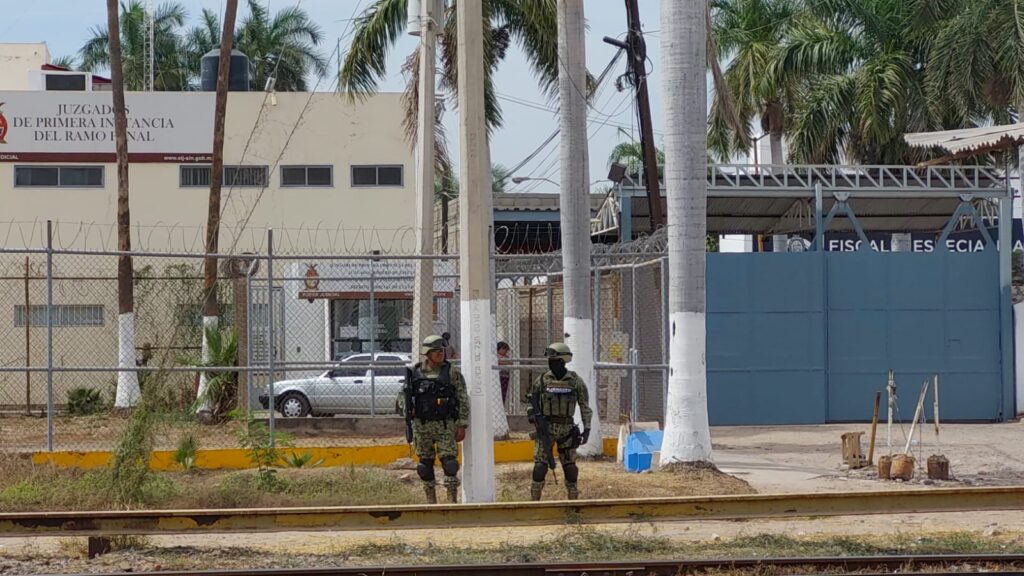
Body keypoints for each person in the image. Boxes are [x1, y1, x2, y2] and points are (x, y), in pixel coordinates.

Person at [404, 335, 469, 504]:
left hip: (445, 425)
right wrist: (406, 408)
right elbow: (402, 396)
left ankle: (451, 500)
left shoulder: (452, 373)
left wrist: (462, 424)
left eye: (442, 350)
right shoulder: (415, 373)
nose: (440, 354)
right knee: (425, 466)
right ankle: (430, 501)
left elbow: (462, 398)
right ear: (428, 353)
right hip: (422, 425)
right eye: (436, 351)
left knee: (450, 464)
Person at [525, 342, 592, 501]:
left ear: (562, 361)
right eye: (550, 361)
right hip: (545, 429)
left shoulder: (575, 382)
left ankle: (573, 499)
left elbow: (585, 406)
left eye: (554, 361)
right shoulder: (541, 380)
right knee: (540, 466)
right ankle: (535, 500)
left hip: (567, 429)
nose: (551, 364)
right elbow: (531, 402)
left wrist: (587, 428)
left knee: (570, 468)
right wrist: (532, 416)